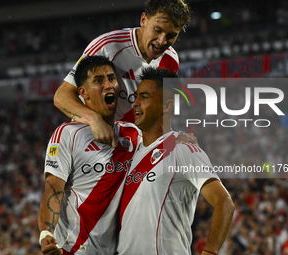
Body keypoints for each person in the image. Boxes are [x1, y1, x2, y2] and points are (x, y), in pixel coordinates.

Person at [116, 67, 235, 255]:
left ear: (166, 105)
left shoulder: (183, 149)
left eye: (145, 97)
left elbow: (224, 202)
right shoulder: (129, 154)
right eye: (136, 97)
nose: (136, 103)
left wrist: (210, 252)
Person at [37, 56, 142, 255]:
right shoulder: (67, 134)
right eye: (99, 80)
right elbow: (53, 191)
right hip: (74, 250)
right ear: (82, 93)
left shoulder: (134, 135)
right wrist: (46, 234)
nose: (108, 85)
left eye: (111, 78)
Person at [53, 0, 191, 148]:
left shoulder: (170, 61)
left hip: (131, 147)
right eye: (157, 30)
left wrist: (172, 137)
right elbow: (62, 96)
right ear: (143, 20)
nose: (162, 41)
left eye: (171, 35)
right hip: (92, 141)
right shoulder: (107, 47)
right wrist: (94, 120)